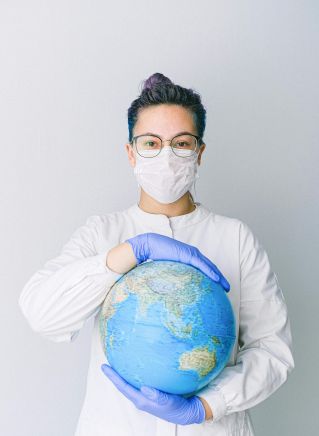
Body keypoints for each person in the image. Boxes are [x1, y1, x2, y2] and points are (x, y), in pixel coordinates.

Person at [18, 72, 295, 436]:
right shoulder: (102, 233)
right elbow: (42, 314)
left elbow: (272, 351)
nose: (166, 156)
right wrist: (130, 253)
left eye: (181, 143)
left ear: (200, 152)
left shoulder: (235, 237)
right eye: (151, 143)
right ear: (131, 152)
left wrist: (206, 407)